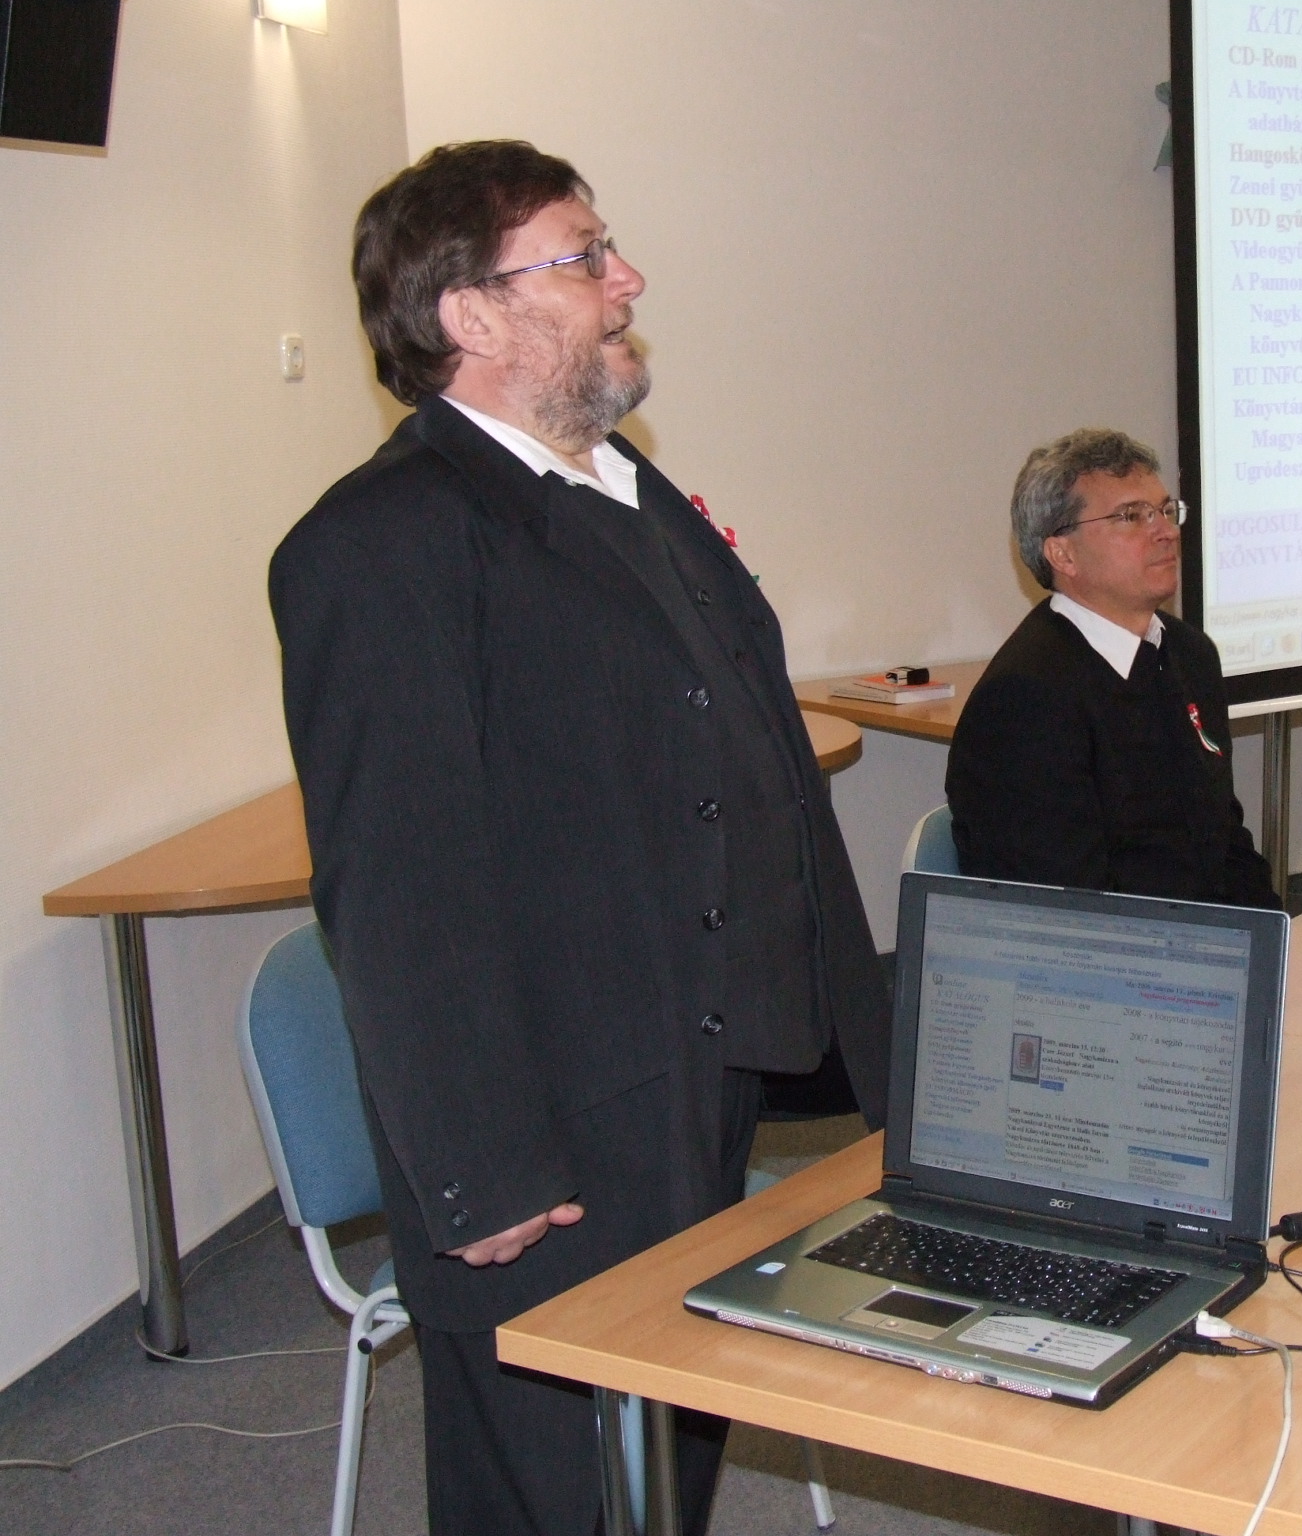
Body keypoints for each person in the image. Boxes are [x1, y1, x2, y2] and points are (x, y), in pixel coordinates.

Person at [268, 141, 890, 1536]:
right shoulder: (377, 543)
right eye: (585, 254)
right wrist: (483, 1163)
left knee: (663, 1457)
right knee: (549, 1493)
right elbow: (398, 888)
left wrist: (848, 1025)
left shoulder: (624, 486)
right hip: (545, 1120)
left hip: (690, 1067)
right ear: (471, 315)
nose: (629, 280)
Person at [946, 429, 1279, 909]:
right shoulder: (1026, 697)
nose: (1165, 531)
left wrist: (1274, 938)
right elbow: (1065, 902)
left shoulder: (1190, 653)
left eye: (1165, 510)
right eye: (1131, 516)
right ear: (1063, 554)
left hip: (1202, 940)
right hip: (1108, 947)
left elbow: (1223, 842)